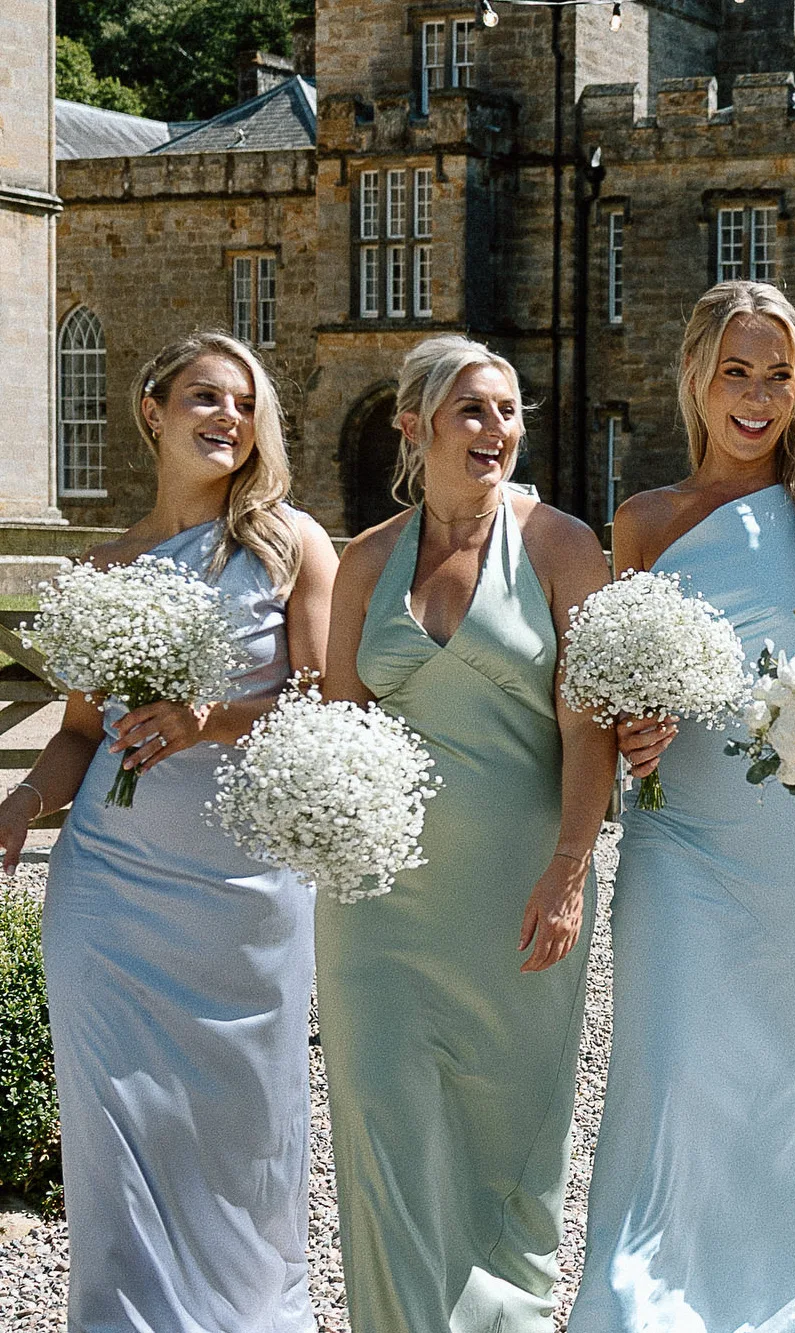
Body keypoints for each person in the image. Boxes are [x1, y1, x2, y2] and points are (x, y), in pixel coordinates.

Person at [571, 280, 795, 1333]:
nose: (757, 396)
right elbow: (606, 683)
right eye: (736, 370)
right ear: (694, 376)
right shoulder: (640, 521)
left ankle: (773, 1306)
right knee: (668, 1075)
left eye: (777, 375)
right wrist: (633, 719)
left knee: (790, 1088)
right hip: (679, 839)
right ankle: (638, 1309)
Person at [0, 331, 336, 1332]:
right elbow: (76, 735)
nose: (227, 418)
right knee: (116, 1124)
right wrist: (19, 807)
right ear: (153, 411)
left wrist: (209, 719)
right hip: (109, 888)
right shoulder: (101, 565)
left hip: (245, 890)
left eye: (243, 402)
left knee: (246, 1126)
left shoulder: (290, 548)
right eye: (204, 397)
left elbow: (322, 704)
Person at [316, 335, 616, 1332]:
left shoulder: (560, 546)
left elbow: (590, 724)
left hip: (517, 894)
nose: (498, 429)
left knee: (506, 1153)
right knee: (386, 1143)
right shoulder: (364, 560)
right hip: (376, 912)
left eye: (509, 410)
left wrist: (569, 869)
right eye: (473, 410)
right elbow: (338, 733)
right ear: (416, 426)